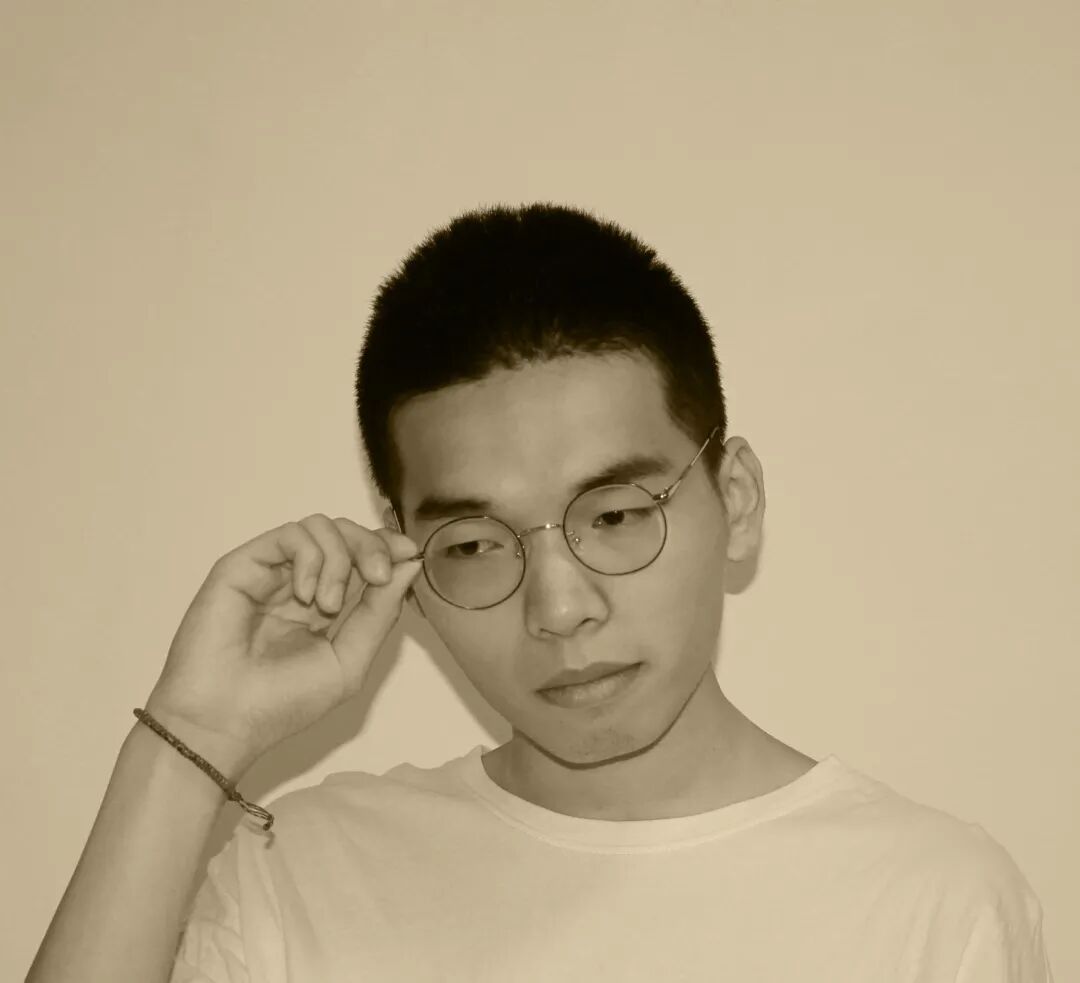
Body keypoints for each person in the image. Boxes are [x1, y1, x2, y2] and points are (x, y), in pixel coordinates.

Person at [28, 203, 1054, 982]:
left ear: (733, 498)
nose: (559, 608)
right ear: (407, 564)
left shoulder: (932, 902)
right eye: (476, 542)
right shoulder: (305, 870)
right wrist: (190, 738)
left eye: (616, 515)